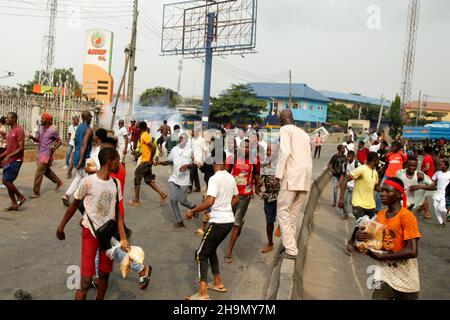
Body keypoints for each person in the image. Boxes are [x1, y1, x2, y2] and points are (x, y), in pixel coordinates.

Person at [56, 148, 129, 300]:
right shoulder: (88, 182)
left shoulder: (116, 184)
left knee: (104, 274)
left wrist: (123, 238)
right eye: (117, 161)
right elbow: (74, 205)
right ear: (110, 162)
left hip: (108, 236)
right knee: (85, 281)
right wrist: (61, 226)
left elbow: (118, 214)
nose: (120, 164)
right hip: (89, 233)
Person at [347, 177, 421, 300]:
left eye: (387, 191)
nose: (382, 194)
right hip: (385, 273)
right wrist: (360, 238)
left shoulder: (407, 216)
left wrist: (382, 257)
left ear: (399, 194)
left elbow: (412, 251)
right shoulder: (380, 216)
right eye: (381, 190)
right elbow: (372, 242)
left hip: (406, 275)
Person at [184, 150, 239, 300]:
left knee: (201, 254)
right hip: (228, 221)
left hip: (218, 222)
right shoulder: (230, 177)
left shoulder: (215, 179)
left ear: (215, 163)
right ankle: (218, 283)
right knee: (211, 249)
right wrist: (224, 208)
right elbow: (236, 198)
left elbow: (209, 201)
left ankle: (202, 293)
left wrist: (192, 210)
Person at [275, 109, 312, 259]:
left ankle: (290, 249)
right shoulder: (303, 133)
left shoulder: (285, 129)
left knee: (283, 211)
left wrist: (278, 174)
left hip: (292, 175)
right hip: (305, 176)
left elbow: (285, 152)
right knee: (294, 214)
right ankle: (292, 246)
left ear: (281, 120)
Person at [223, 139, 260, 262]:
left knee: (236, 223)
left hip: (245, 196)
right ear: (239, 147)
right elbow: (225, 174)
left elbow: (256, 175)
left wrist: (258, 185)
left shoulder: (255, 161)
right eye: (244, 147)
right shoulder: (232, 159)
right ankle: (238, 224)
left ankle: (229, 251)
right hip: (232, 195)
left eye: (248, 147)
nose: (246, 150)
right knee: (227, 221)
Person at [156, 133, 195, 228]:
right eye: (180, 138)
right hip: (174, 178)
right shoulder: (174, 150)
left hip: (184, 180)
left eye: (183, 138)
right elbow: (170, 161)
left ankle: (193, 207)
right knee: (173, 200)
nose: (181, 140)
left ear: (186, 140)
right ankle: (179, 221)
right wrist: (161, 163)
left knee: (182, 201)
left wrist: (187, 166)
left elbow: (195, 164)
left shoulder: (190, 151)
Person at [128, 121, 167, 206]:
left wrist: (150, 159)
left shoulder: (144, 136)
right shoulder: (145, 135)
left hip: (145, 162)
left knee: (137, 179)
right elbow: (147, 149)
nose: (137, 129)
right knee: (148, 181)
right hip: (146, 161)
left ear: (140, 128)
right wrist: (138, 154)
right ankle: (162, 194)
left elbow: (153, 147)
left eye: (138, 127)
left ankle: (136, 201)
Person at [61, 111, 94, 207]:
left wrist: (77, 155)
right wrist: (81, 160)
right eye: (90, 117)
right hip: (84, 157)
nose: (91, 119)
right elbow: (84, 144)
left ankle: (66, 195)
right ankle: (82, 200)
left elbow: (75, 141)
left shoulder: (78, 128)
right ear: (86, 118)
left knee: (79, 178)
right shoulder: (89, 130)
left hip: (77, 154)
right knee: (86, 179)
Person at [28, 112, 63, 198]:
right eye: (41, 119)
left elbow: (59, 141)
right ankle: (58, 182)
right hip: (40, 152)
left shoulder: (53, 130)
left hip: (46, 154)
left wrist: (54, 149)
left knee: (38, 173)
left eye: (43, 119)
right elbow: (37, 140)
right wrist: (32, 138)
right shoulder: (40, 128)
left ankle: (36, 192)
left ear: (48, 121)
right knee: (46, 171)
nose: (41, 120)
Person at [338, 152, 380, 220]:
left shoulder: (375, 172)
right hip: (359, 204)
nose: (379, 162)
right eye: (378, 160)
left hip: (371, 205)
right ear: (374, 160)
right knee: (362, 226)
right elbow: (345, 180)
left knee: (369, 228)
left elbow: (376, 187)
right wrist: (341, 198)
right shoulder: (362, 169)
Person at [1, 112, 26, 211]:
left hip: (16, 159)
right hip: (10, 159)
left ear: (14, 119)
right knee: (7, 181)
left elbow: (21, 148)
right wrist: (2, 156)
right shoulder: (10, 131)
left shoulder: (19, 130)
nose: (6, 120)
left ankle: (20, 196)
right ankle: (14, 204)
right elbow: (9, 149)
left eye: (8, 118)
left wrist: (9, 156)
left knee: (6, 181)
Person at [259, 142, 280, 253]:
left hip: (281, 196)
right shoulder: (265, 163)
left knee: (284, 219)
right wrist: (258, 184)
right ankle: (270, 243)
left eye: (271, 150)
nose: (268, 152)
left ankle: (281, 228)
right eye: (267, 150)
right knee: (269, 221)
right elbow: (260, 179)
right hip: (269, 196)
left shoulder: (282, 164)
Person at [415, 159, 450, 226]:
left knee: (441, 207)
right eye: (439, 164)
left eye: (441, 165)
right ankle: (441, 222)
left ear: (446, 166)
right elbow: (433, 183)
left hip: (445, 194)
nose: (439, 166)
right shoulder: (437, 173)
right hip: (437, 193)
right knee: (435, 207)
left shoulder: (449, 174)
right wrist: (423, 186)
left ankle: (448, 213)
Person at [340, 151, 359, 219]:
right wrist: (340, 183)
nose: (348, 158)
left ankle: (355, 212)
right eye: (348, 156)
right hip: (346, 185)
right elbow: (343, 174)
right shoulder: (344, 164)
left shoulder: (357, 164)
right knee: (344, 201)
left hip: (354, 186)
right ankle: (345, 214)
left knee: (352, 201)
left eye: (350, 157)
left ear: (353, 157)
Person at [189, 127, 207, 193]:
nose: (192, 133)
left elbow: (205, 150)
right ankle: (198, 187)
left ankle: (189, 188)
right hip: (193, 159)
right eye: (192, 132)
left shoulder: (201, 140)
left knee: (191, 173)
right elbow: (192, 149)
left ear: (197, 132)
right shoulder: (193, 139)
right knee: (195, 174)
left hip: (198, 160)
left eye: (193, 132)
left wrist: (204, 160)